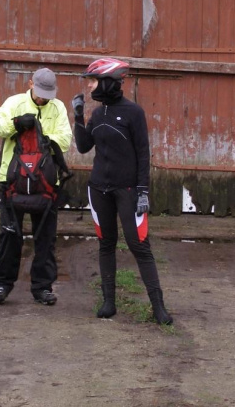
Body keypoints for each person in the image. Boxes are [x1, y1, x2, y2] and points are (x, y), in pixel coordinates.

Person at [71, 58, 173, 325]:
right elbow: (83, 147)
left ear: (107, 81)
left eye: (92, 81)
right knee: (106, 244)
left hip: (127, 189)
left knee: (139, 245)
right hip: (98, 189)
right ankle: (108, 302)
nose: (89, 86)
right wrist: (78, 116)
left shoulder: (133, 112)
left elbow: (142, 153)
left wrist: (143, 191)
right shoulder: (99, 113)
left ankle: (158, 307)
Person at [0, 67, 72, 306]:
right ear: (31, 83)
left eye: (48, 94)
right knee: (9, 237)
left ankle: (42, 288)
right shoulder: (14, 103)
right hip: (12, 182)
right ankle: (1, 285)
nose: (44, 98)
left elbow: (65, 140)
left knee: (45, 238)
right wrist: (16, 125)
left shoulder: (58, 108)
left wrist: (43, 136)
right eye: (41, 92)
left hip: (46, 185)